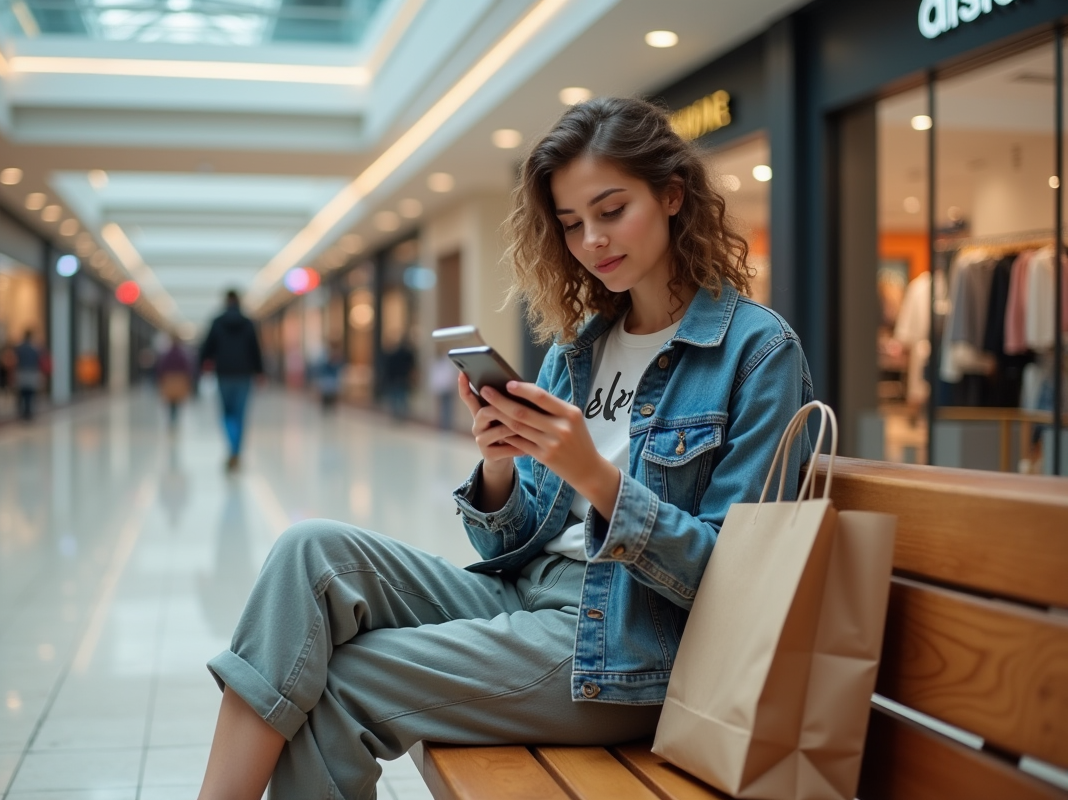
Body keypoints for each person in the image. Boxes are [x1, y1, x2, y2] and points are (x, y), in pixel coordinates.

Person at [197, 97, 813, 800]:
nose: (591, 242)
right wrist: (497, 461)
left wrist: (596, 477)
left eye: (611, 212)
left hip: (625, 645)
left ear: (673, 195)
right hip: (525, 597)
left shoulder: (756, 352)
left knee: (346, 679)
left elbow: (730, 581)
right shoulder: (579, 351)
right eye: (572, 223)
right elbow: (506, 549)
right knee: (309, 551)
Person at [200, 290, 264, 471]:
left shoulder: (217, 322)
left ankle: (231, 449)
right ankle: (236, 451)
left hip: (224, 374)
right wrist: (260, 371)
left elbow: (207, 348)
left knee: (227, 414)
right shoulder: (248, 323)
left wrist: (203, 366)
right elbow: (255, 349)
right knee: (240, 414)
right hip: (244, 375)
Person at [157, 334, 193, 428]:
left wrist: (160, 379)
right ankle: (174, 418)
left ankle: (172, 418)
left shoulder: (167, 354)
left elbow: (161, 368)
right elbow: (187, 368)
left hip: (169, 379)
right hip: (179, 379)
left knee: (170, 401)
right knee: (176, 401)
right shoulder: (182, 354)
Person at [381, 335, 416, 420]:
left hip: (395, 378)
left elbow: (388, 368)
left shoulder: (393, 355)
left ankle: (396, 414)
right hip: (402, 378)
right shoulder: (407, 355)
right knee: (401, 397)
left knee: (396, 397)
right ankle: (401, 415)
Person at [13, 330, 43, 421]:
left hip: (21, 372)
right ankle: (29, 412)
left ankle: (22, 412)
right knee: (30, 394)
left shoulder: (19, 348)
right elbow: (39, 362)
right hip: (31, 373)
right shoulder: (34, 349)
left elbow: (15, 360)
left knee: (22, 393)